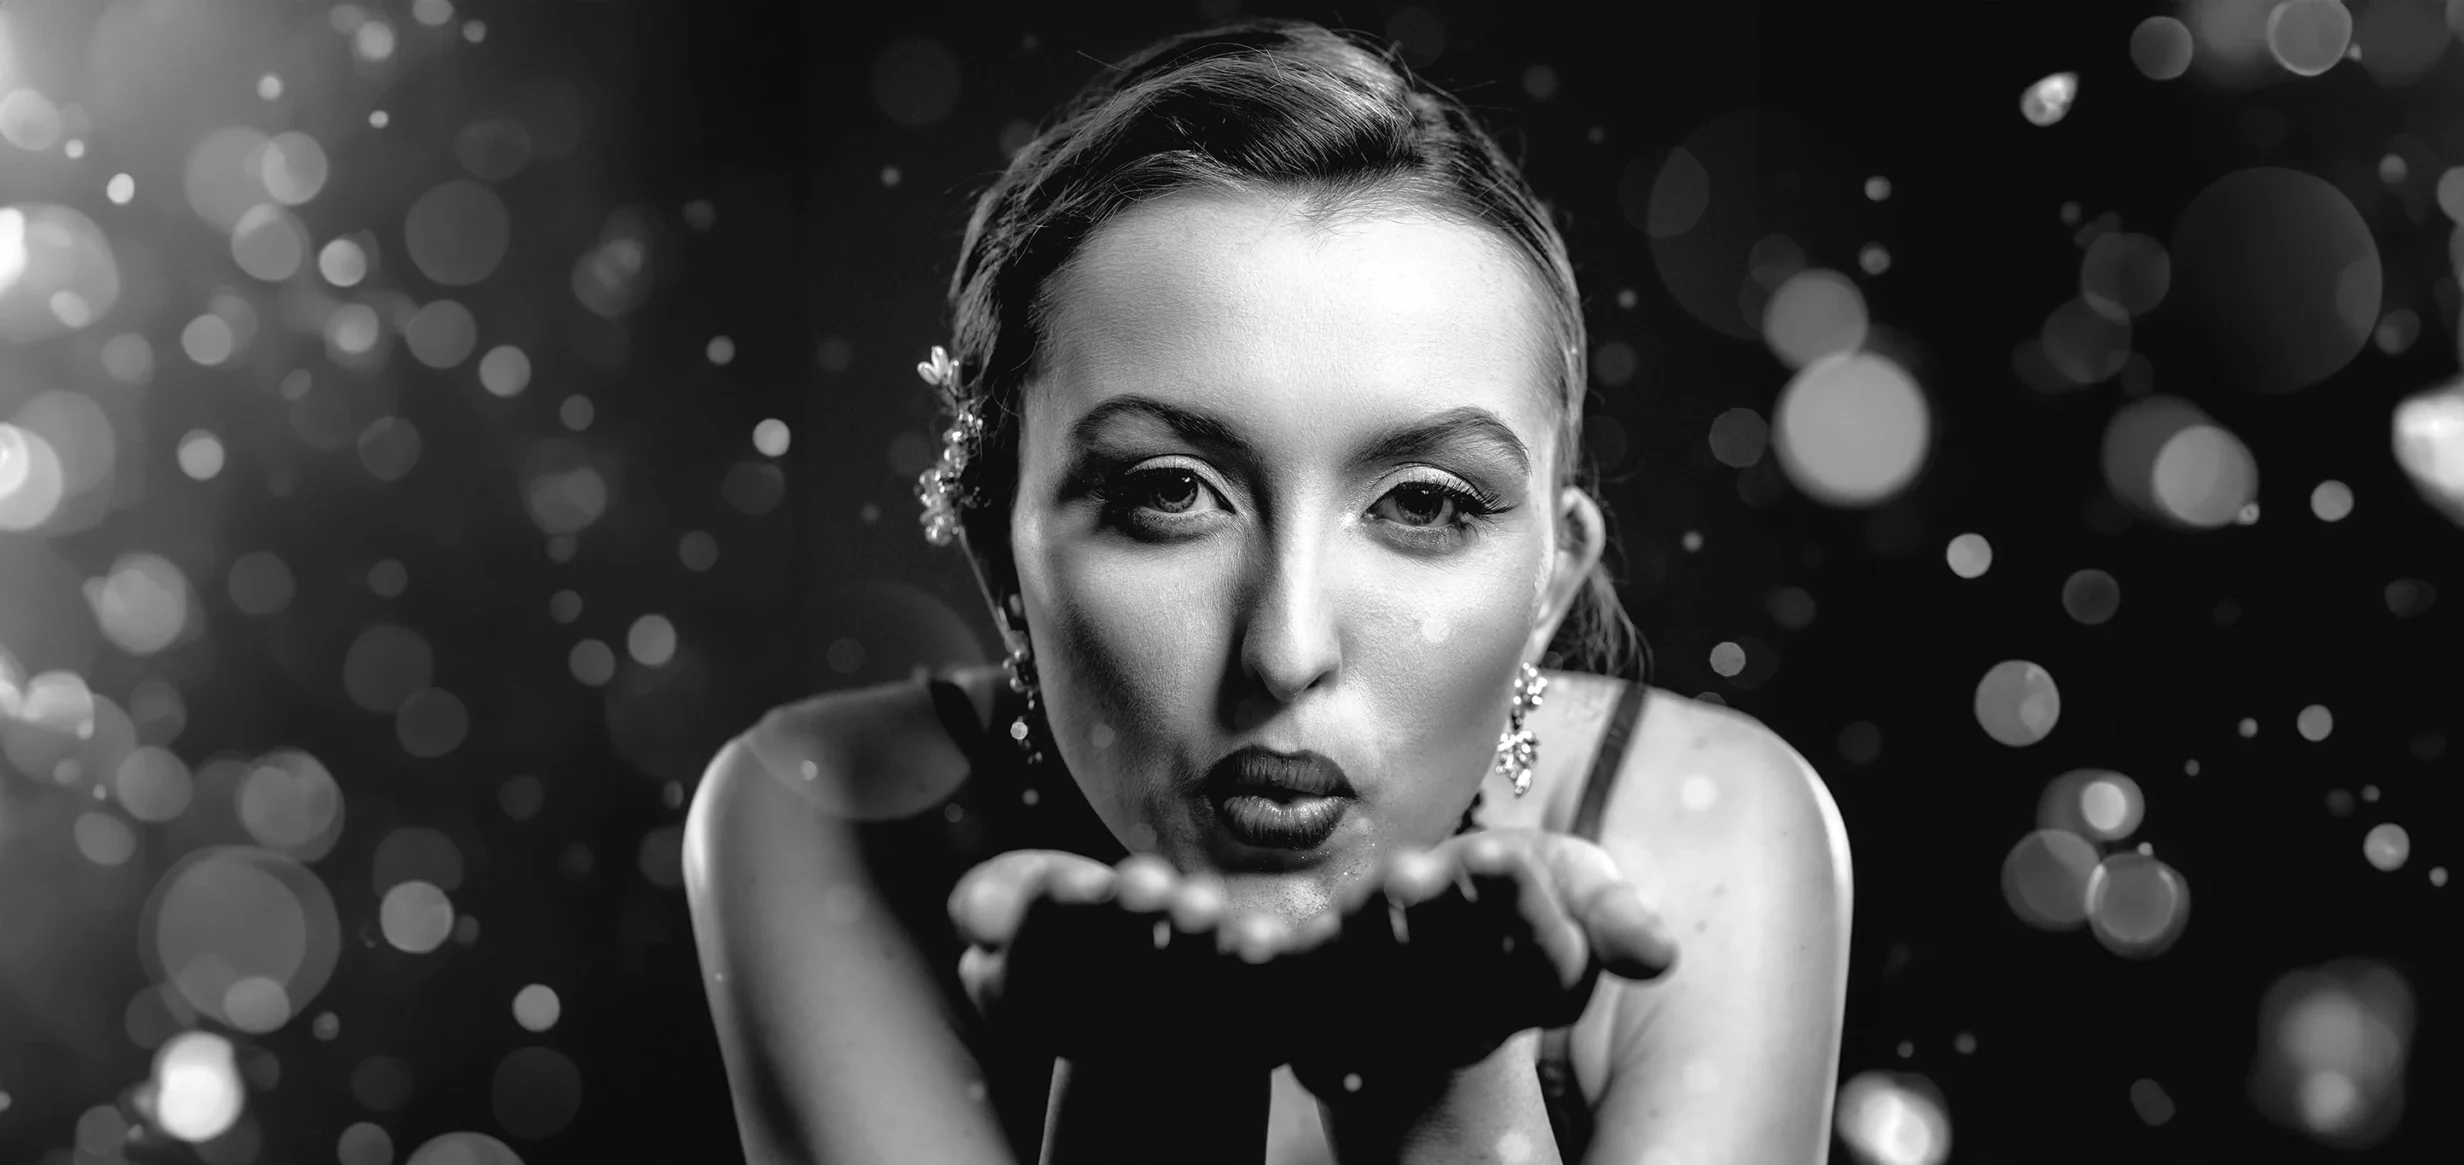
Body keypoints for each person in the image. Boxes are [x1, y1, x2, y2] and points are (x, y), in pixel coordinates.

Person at [682, 17, 1852, 1165]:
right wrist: (1149, 1076)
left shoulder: (1713, 835)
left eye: (1426, 502)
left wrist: (1444, 1082)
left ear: (1550, 584)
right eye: (1169, 492)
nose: (1286, 653)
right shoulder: (821, 815)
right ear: (1001, 561)